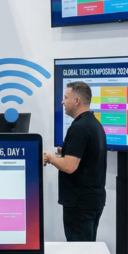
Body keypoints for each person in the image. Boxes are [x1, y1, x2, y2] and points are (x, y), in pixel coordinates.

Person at [43, 81, 107, 242]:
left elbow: (69, 166)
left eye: (65, 98)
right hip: (92, 201)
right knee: (87, 248)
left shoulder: (79, 128)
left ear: (77, 101)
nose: (62, 102)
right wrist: (64, 151)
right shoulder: (94, 123)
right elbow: (87, 154)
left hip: (79, 205)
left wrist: (50, 157)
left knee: (80, 251)